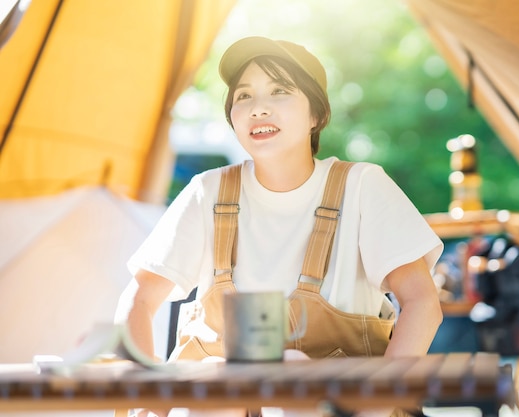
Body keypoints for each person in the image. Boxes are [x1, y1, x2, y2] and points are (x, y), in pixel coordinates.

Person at [116, 36, 444, 417]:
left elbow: (423, 302)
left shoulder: (362, 186)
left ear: (316, 116)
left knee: (288, 370)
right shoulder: (207, 192)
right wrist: (145, 399)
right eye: (244, 97)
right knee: (217, 379)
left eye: (279, 91)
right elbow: (139, 298)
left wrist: (379, 404)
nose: (259, 108)